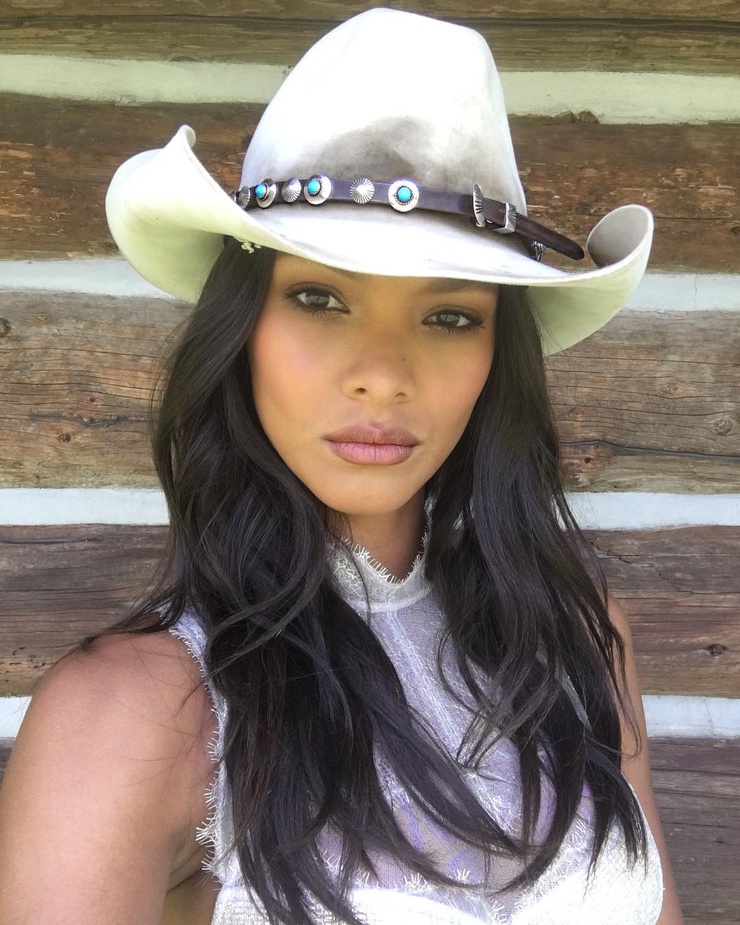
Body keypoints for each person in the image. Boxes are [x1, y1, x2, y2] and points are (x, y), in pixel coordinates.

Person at [0, 7, 684, 925]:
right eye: (320, 298)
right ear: (242, 327)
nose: (383, 376)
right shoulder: (132, 715)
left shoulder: (576, 640)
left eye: (449, 316)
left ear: (498, 357)